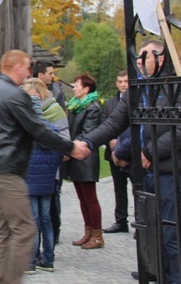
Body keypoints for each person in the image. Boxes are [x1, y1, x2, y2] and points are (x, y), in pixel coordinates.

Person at [82, 39, 181, 283]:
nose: (138, 63)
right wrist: (87, 143)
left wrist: (150, 151)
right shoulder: (139, 89)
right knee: (149, 232)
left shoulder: (179, 86)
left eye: (144, 57)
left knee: (170, 233)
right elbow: (116, 123)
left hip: (170, 171)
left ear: (161, 59)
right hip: (144, 174)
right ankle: (157, 274)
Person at [0, 50, 89, 283]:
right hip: (9, 171)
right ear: (17, 67)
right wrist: (70, 147)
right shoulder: (14, 95)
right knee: (24, 231)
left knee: (7, 233)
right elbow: (38, 130)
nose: (29, 72)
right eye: (27, 67)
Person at [21, 79, 64, 274]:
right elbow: (59, 153)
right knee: (46, 219)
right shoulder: (52, 131)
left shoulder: (25, 133)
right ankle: (48, 259)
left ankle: (30, 262)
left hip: (30, 182)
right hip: (47, 182)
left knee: (33, 220)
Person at [64, 74, 104, 250]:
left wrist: (71, 147)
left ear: (86, 89)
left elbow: (87, 132)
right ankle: (88, 231)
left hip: (85, 156)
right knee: (82, 197)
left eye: (77, 85)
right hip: (75, 154)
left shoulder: (92, 108)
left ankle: (97, 235)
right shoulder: (76, 106)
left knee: (90, 197)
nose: (74, 87)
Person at [103, 70, 131, 234]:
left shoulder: (136, 101)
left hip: (132, 150)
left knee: (138, 188)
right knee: (119, 189)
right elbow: (106, 123)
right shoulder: (110, 103)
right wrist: (110, 141)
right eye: (120, 81)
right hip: (113, 151)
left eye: (126, 81)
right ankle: (121, 221)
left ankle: (141, 221)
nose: (123, 84)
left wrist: (121, 146)